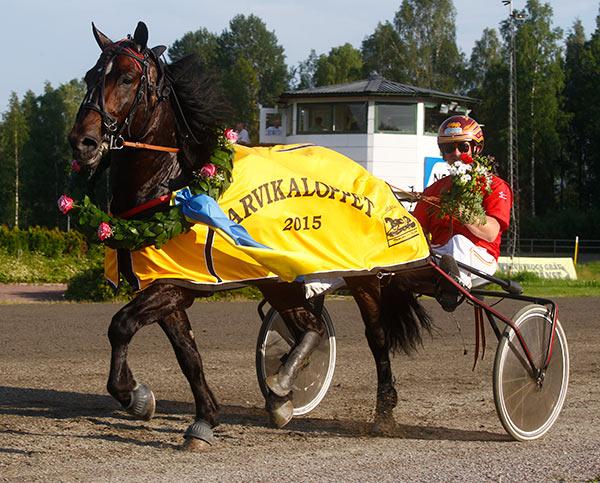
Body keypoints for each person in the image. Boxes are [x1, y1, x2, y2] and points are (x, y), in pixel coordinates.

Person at [412, 115, 512, 303]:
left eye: (463, 147)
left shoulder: (495, 186)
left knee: (459, 241)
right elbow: (417, 231)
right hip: (441, 256)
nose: (455, 153)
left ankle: (456, 285)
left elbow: (490, 233)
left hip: (480, 258)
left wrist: (460, 211)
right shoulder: (433, 190)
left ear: (476, 148)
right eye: (449, 148)